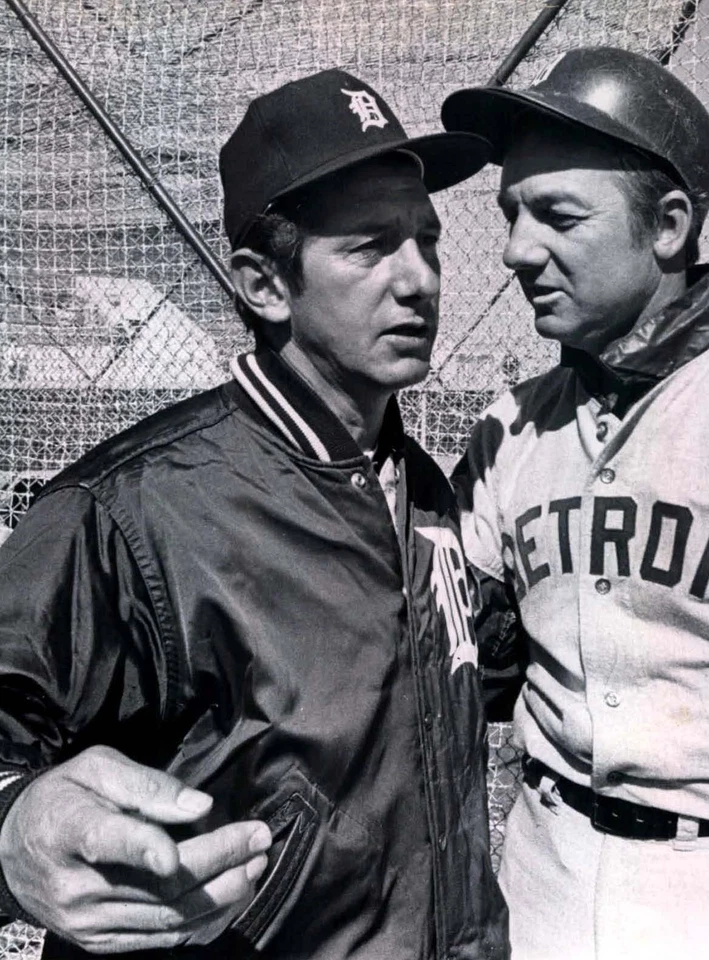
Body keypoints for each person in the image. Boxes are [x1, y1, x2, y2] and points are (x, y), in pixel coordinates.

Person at [0, 69, 509, 959]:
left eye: (427, 240)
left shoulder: (430, 493)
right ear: (265, 285)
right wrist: (12, 828)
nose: (418, 279)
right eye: (370, 247)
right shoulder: (131, 510)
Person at [442, 46, 709, 960]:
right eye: (511, 214)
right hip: (543, 871)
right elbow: (463, 666)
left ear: (667, 226)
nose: (515, 250)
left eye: (557, 215)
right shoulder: (508, 429)